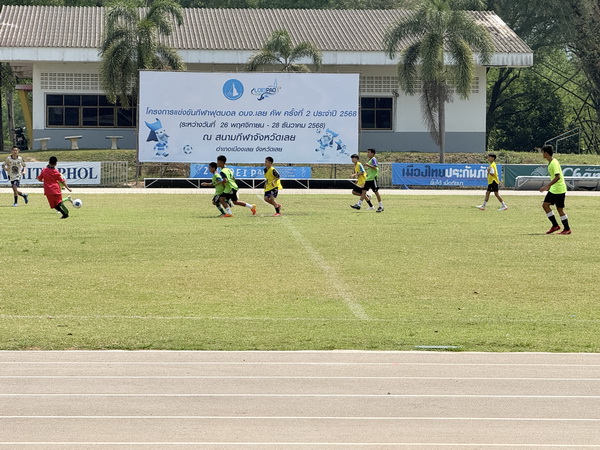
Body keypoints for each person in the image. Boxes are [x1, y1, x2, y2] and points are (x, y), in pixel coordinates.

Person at [540, 144, 571, 235]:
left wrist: (547, 186)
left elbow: (558, 177)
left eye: (543, 152)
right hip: (555, 189)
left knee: (558, 209)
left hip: (559, 189)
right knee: (546, 205)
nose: (542, 154)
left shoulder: (554, 163)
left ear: (546, 153)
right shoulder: (551, 162)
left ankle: (566, 228)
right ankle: (556, 226)